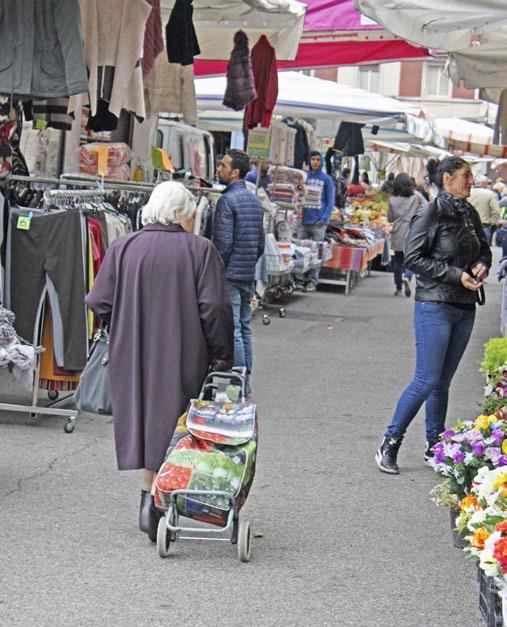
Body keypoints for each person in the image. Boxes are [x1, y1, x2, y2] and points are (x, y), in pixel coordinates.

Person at [85, 181, 234, 540]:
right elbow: (214, 308)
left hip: (131, 350)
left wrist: (125, 318)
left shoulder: (124, 246)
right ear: (182, 212)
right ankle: (161, 502)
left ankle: (146, 498)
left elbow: (98, 300)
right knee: (175, 424)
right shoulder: (200, 250)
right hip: (183, 349)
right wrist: (222, 357)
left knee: (142, 421)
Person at [375, 156, 491, 474]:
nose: (471, 181)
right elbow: (413, 257)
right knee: (426, 380)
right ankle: (390, 442)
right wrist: (456, 275)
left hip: (464, 306)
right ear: (448, 178)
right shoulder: (431, 212)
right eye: (466, 176)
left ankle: (434, 447)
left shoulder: (468, 212)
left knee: (442, 383)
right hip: (434, 306)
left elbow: (484, 248)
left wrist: (482, 264)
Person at [212, 149, 265, 393]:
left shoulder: (227, 201)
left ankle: (238, 383)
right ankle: (246, 381)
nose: (218, 169)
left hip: (231, 275)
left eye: (223, 166)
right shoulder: (255, 202)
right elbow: (260, 244)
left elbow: (223, 244)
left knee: (233, 329)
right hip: (247, 275)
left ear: (235, 172)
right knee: (244, 327)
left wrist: (214, 273)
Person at [297, 150, 335, 291]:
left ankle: (312, 280)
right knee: (300, 252)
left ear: (322, 162)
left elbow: (330, 201)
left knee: (317, 253)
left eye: (318, 159)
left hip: (318, 223)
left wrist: (324, 218)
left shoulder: (327, 179)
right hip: (303, 221)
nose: (315, 162)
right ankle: (299, 279)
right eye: (313, 159)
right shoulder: (303, 177)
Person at [388, 173, 427, 297]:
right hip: (413, 230)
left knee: (398, 259)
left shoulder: (392, 199)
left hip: (398, 230)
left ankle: (398, 288)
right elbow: (426, 209)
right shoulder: (416, 196)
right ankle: (408, 277)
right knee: (411, 258)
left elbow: (390, 218)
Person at [469, 175, 500, 245]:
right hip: (484, 226)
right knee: (483, 251)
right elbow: (496, 210)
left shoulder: (466, 192)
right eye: (486, 183)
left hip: (468, 225)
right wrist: (492, 221)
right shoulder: (490, 194)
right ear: (483, 184)